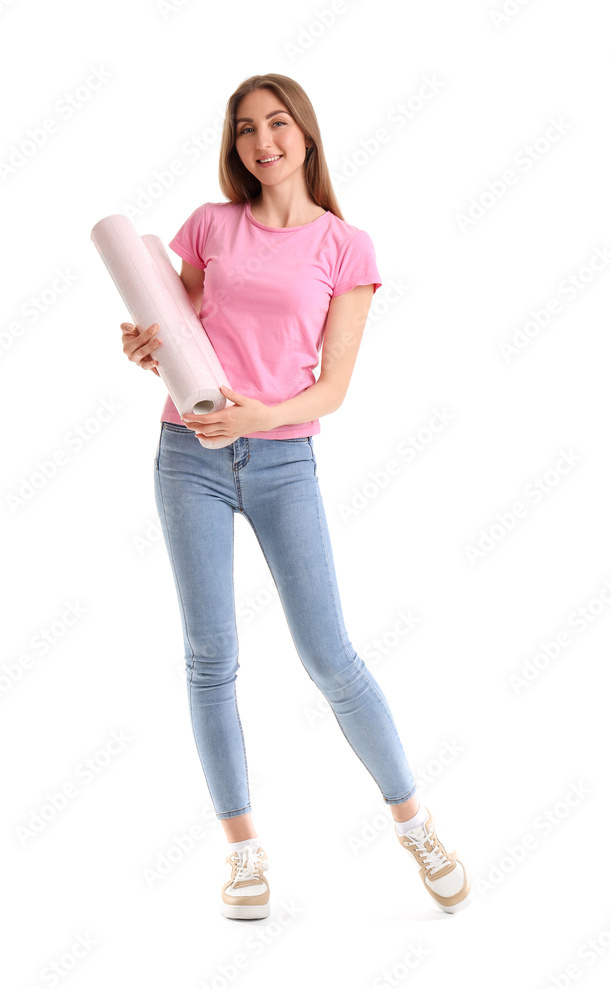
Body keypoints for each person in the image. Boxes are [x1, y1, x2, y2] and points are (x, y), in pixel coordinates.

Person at [121, 73, 471, 919]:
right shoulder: (210, 227)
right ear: (233, 146)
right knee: (210, 657)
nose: (261, 141)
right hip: (189, 457)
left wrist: (262, 416)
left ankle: (414, 821)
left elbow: (334, 387)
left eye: (276, 123)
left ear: (305, 135)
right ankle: (242, 852)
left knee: (330, 657)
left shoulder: (345, 248)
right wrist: (145, 348)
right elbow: (179, 329)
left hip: (282, 464)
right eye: (244, 128)